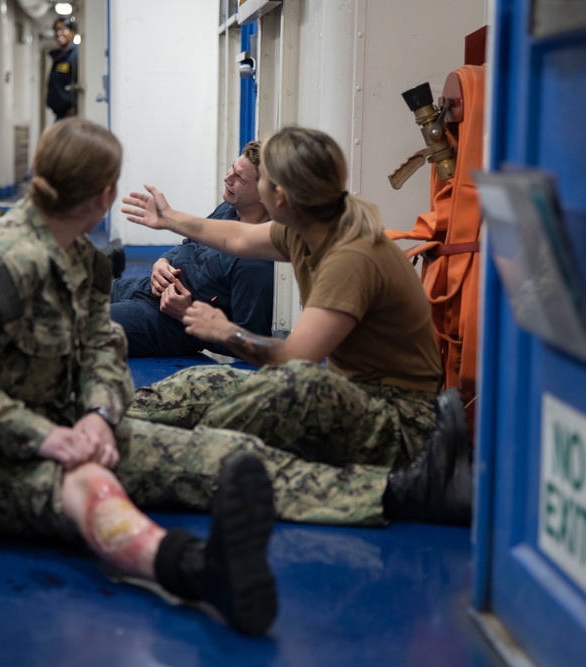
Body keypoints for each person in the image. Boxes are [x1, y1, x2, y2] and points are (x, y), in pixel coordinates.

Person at [0, 118, 279, 635]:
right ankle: (195, 569)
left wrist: (100, 414)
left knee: (225, 457)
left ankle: (394, 489)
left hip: (68, 422)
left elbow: (102, 345)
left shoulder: (82, 259)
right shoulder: (0, 262)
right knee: (89, 484)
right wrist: (46, 437)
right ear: (104, 198)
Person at [118, 126, 473, 526]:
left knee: (278, 394)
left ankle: (180, 458)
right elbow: (236, 237)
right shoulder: (309, 226)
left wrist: (222, 330)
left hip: (399, 424)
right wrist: (169, 219)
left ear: (279, 197)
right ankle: (105, 417)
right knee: (199, 384)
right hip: (359, 397)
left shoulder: (351, 256)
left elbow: (295, 357)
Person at [110, 141, 274, 357]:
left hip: (167, 323)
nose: (227, 178)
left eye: (239, 178)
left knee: (79, 322)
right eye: (233, 168)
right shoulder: (228, 209)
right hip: (145, 289)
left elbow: (248, 345)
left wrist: (186, 314)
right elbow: (190, 244)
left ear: (264, 194)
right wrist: (163, 262)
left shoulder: (255, 265)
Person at [47, 16, 79, 121]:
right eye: (56, 30)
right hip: (59, 113)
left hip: (70, 114)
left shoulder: (75, 55)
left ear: (72, 32)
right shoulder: (59, 56)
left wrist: (75, 106)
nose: (59, 33)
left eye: (63, 29)